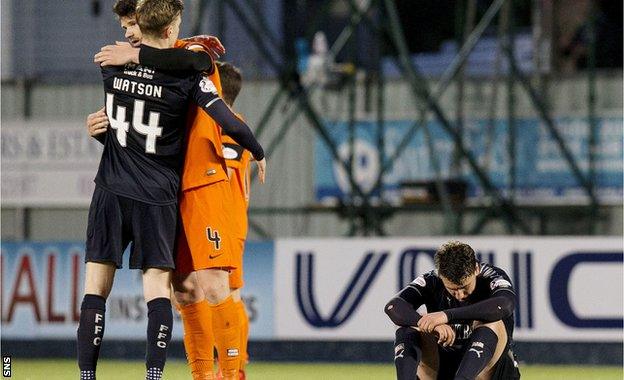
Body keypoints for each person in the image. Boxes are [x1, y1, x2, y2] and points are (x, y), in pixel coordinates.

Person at [78, 1, 266, 380]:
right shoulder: (175, 70)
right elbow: (152, 123)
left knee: (209, 287)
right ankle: (176, 375)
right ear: (169, 27)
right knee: (171, 289)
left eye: (131, 24)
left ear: (146, 26)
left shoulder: (124, 62)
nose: (127, 33)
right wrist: (258, 150)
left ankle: (231, 374)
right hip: (162, 192)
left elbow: (188, 67)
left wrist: (135, 54)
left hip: (152, 188)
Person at [384, 241, 520, 380]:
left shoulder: (492, 276)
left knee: (491, 322)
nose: (460, 295)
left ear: (476, 269)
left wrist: (446, 316)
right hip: (443, 367)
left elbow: (505, 304)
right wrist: (429, 325)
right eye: (453, 290)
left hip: (489, 372)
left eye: (465, 287)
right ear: (441, 276)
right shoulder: (431, 279)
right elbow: (393, 306)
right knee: (410, 324)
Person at [214, 61, 252, 379]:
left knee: (229, 294)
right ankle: (231, 366)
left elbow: (224, 168)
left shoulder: (232, 128)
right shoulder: (227, 126)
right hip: (222, 219)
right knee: (224, 294)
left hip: (226, 220)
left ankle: (235, 368)